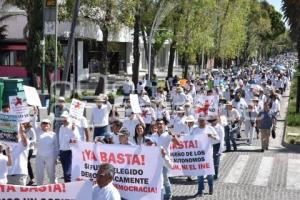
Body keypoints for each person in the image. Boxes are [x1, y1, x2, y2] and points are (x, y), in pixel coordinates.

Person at [151, 119, 180, 200]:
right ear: (155, 126)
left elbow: (178, 143)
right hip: (155, 162)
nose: (159, 125)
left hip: (165, 161)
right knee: (157, 180)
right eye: (158, 124)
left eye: (161, 124)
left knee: (165, 179)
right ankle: (159, 195)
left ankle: (169, 194)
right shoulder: (153, 136)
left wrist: (173, 135)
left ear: (164, 125)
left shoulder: (168, 134)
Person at [191, 114, 219, 197]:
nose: (201, 122)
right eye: (199, 120)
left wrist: (212, 136)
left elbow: (218, 138)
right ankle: (200, 190)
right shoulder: (195, 129)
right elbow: (189, 139)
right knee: (200, 173)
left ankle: (211, 187)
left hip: (208, 154)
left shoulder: (210, 128)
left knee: (209, 173)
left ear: (205, 121)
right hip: (198, 154)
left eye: (202, 120)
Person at [35, 119, 58, 185]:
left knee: (51, 172)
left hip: (50, 157)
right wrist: (35, 114)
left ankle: (53, 186)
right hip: (40, 156)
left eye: (47, 123)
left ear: (50, 125)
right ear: (41, 125)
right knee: (39, 172)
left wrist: (56, 158)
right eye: (43, 123)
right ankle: (39, 186)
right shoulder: (38, 131)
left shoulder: (53, 134)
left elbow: (56, 147)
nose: (45, 125)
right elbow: (34, 123)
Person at [58, 111, 80, 182]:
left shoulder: (73, 127)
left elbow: (76, 140)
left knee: (68, 173)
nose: (64, 120)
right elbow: (60, 140)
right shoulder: (61, 127)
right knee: (65, 172)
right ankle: (67, 188)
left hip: (69, 151)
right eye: (63, 118)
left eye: (65, 119)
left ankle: (70, 188)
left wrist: (73, 132)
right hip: (62, 151)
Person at [207, 115, 224, 180]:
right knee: (209, 160)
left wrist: (220, 150)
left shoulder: (220, 128)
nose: (212, 122)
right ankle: (209, 173)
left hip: (217, 145)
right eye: (211, 121)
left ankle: (215, 175)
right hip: (209, 145)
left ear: (217, 121)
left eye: (214, 121)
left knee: (216, 161)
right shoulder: (208, 127)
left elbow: (221, 139)